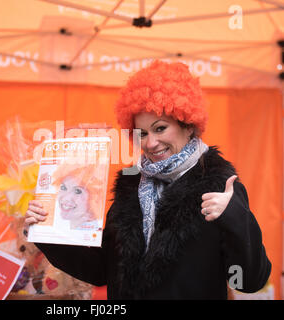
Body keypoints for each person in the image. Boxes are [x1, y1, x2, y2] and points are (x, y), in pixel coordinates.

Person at [24, 60, 271, 299]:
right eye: (142, 133)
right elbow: (100, 270)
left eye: (160, 128)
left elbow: (250, 280)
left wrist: (236, 218)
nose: (151, 143)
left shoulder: (220, 185)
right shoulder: (130, 186)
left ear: (188, 124)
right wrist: (47, 230)